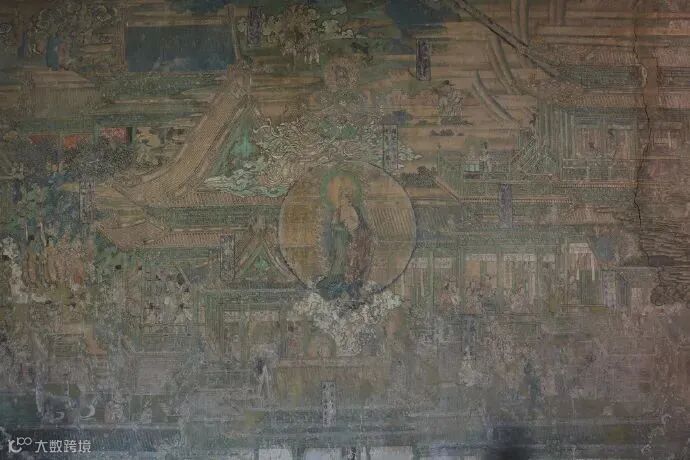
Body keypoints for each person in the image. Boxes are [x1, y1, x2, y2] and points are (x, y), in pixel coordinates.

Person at [316, 176, 373, 300]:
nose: (341, 200)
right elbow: (333, 225)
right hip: (339, 237)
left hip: (349, 238)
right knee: (339, 256)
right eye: (340, 198)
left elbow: (356, 224)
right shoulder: (338, 211)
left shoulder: (352, 210)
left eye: (343, 198)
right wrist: (340, 226)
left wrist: (348, 226)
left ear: (348, 199)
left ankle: (345, 280)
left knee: (346, 258)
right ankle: (334, 278)